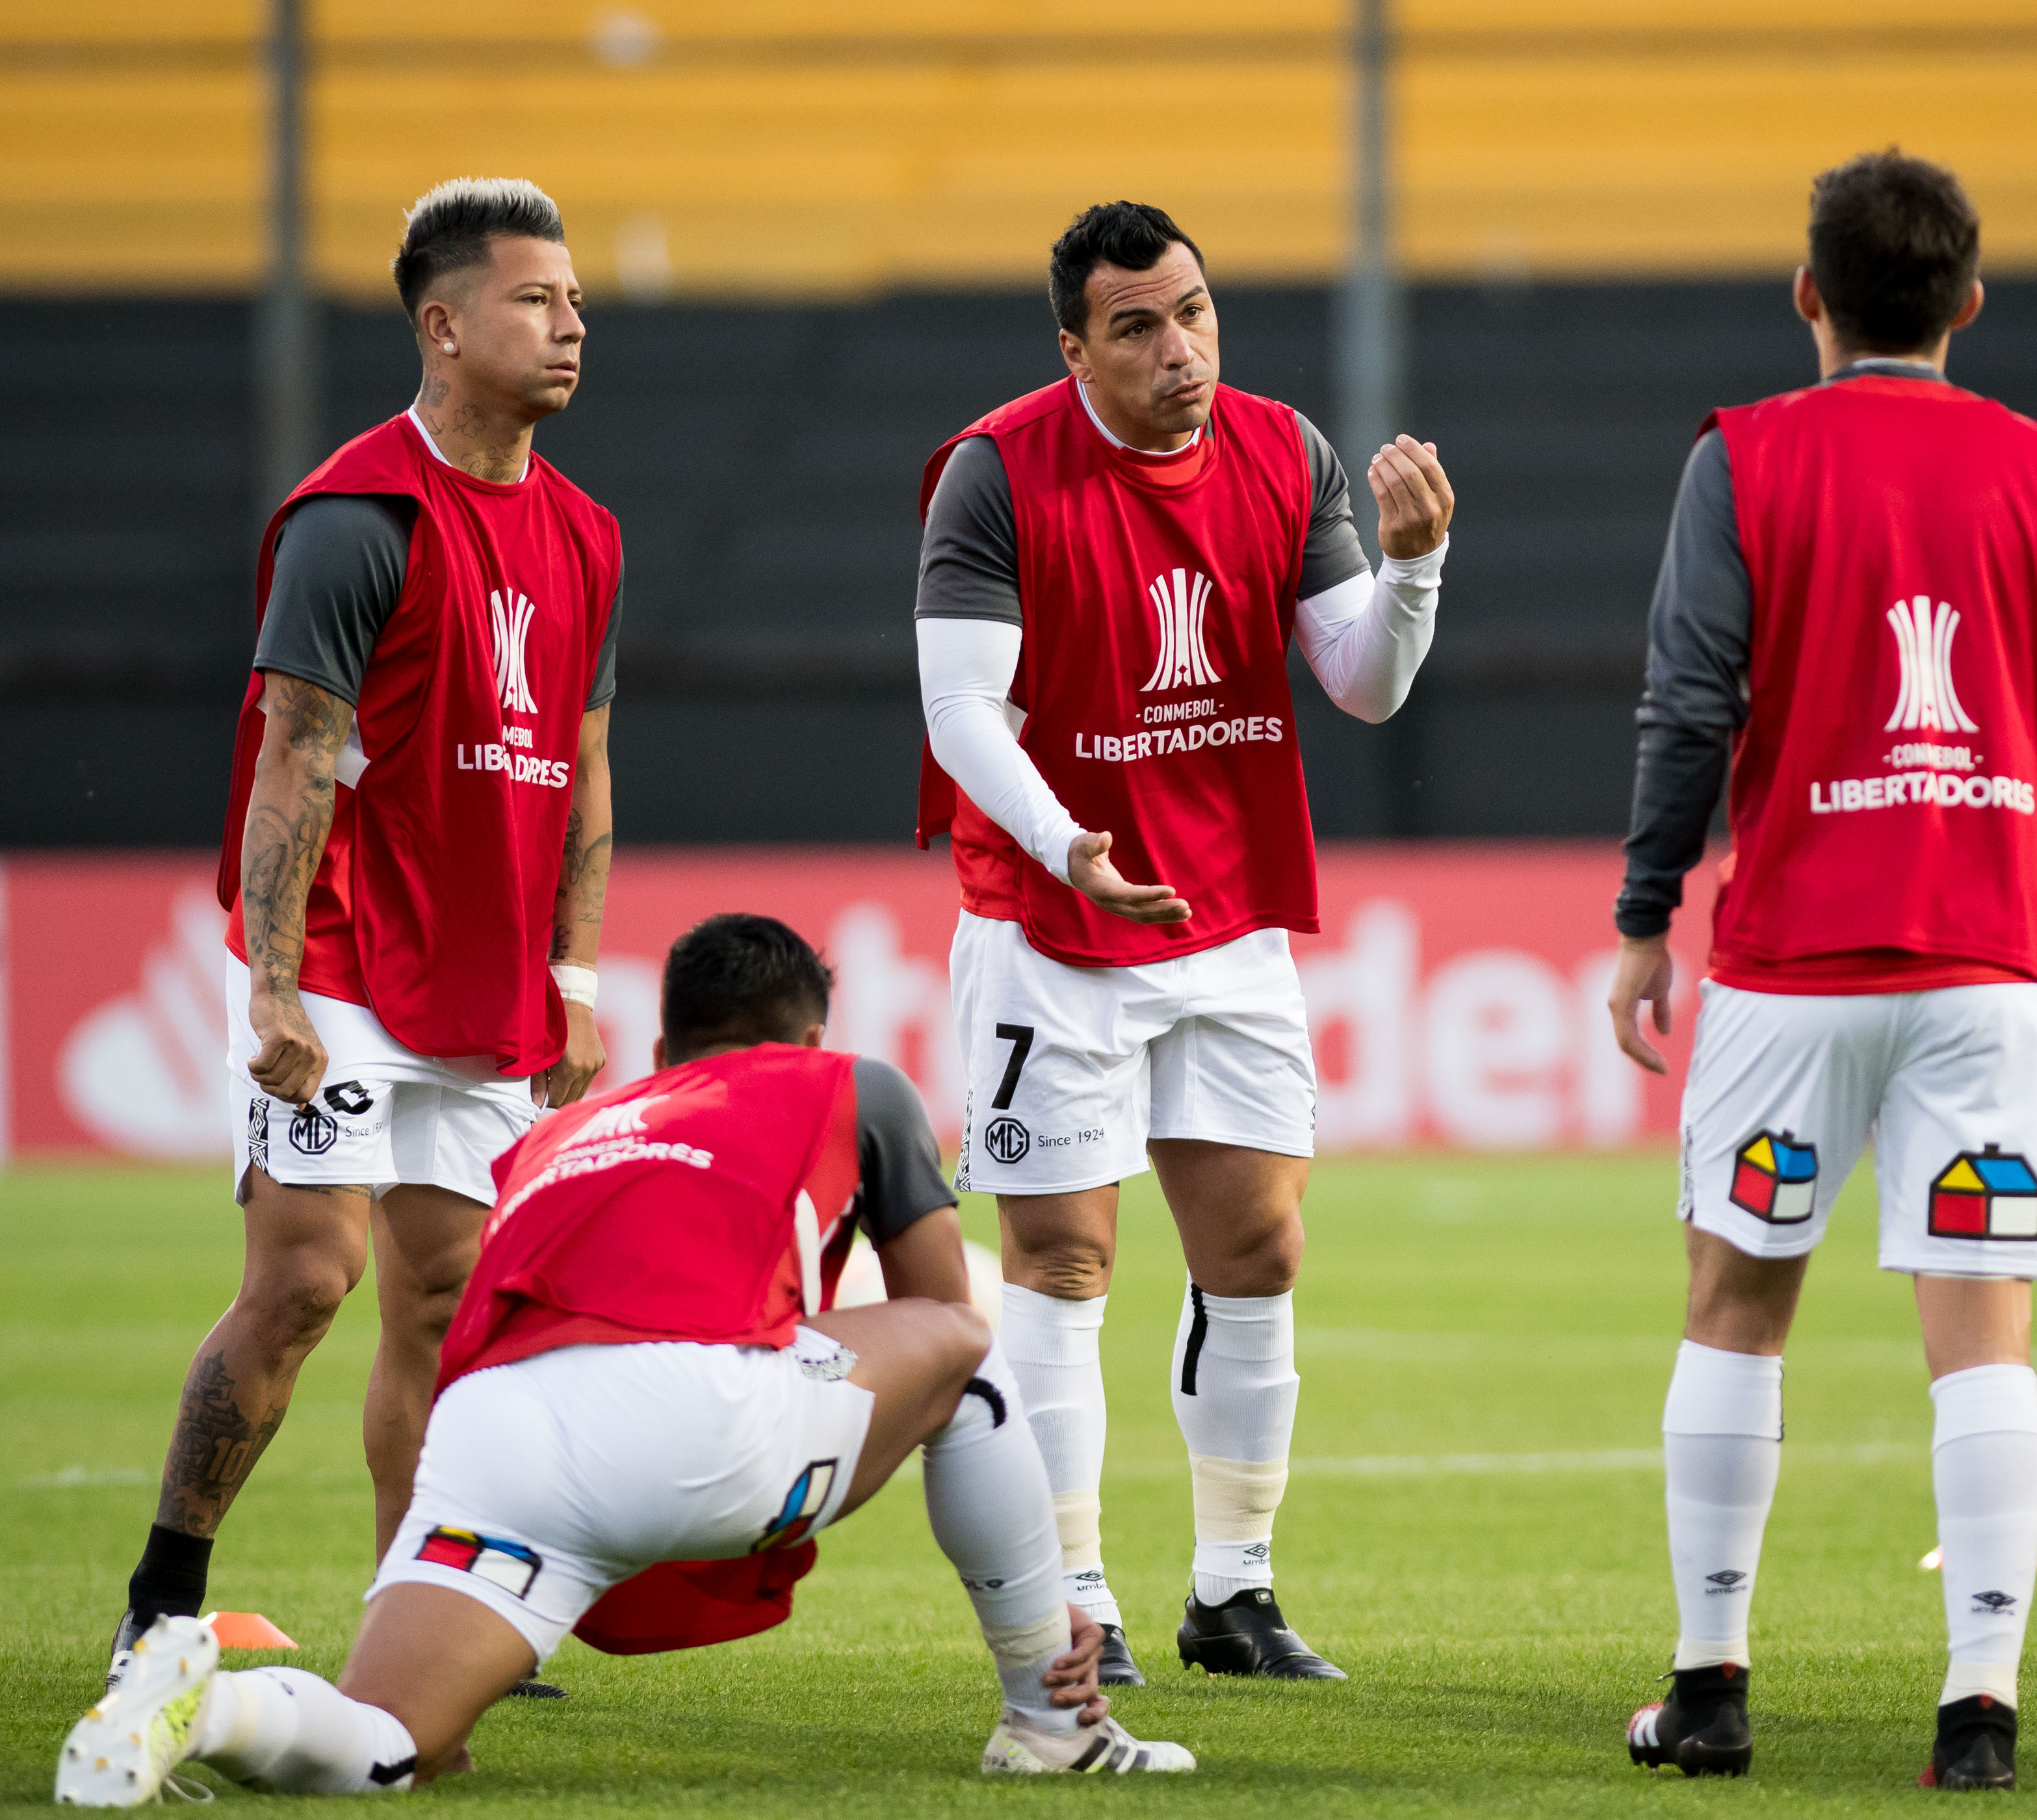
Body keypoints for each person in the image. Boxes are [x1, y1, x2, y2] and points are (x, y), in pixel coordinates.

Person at [56, 914, 1196, 1805]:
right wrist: (1045, 1595)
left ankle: (204, 1712)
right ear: (809, 1038)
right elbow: (939, 1316)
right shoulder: (851, 1085)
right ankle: (1053, 1724)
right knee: (967, 1352)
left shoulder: (566, 1129)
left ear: (662, 1051)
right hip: (688, 1423)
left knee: (399, 1747)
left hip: (494, 1434)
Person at [1605, 151, 2037, 1789]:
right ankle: (1978, 1713)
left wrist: (1649, 909)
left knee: (1736, 1309)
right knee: (1982, 1341)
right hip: (1989, 962)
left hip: (1792, 969)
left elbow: (1687, 701)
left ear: (1811, 298)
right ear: (1967, 305)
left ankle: (1710, 1690)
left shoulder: (1745, 457)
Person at [913, 200, 1456, 1685]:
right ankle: (1074, 1591)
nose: (1179, 350)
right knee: (1062, 1256)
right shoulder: (995, 472)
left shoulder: (1289, 451)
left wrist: (1412, 572)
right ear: (1075, 344)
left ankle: (1233, 1591)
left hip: (1223, 917)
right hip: (1050, 920)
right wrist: (1064, 844)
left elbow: (1362, 686)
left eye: (1196, 312)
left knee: (1261, 1245)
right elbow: (960, 709)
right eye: (1138, 326)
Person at [110, 179, 624, 1686]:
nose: (571, 320)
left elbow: (584, 765)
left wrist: (575, 971)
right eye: (537, 298)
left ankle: (423, 1611)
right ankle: (163, 1588)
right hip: (334, 951)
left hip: (482, 969)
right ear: (443, 324)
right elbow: (291, 750)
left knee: (452, 1297)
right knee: (308, 1278)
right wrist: (272, 984)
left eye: (576, 296)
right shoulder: (361, 517)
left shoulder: (587, 534)